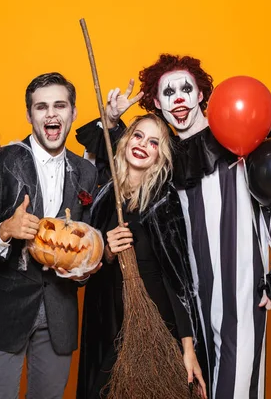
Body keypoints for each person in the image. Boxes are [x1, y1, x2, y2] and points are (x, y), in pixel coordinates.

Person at [76, 55, 271, 399]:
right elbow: (121, 168)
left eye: (186, 89)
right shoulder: (167, 159)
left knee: (236, 385)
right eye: (168, 92)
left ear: (201, 95)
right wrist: (112, 120)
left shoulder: (237, 140)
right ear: (157, 103)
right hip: (189, 299)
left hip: (239, 287)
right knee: (199, 386)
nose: (178, 98)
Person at [0, 72, 100, 399]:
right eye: (41, 107)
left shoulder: (86, 171)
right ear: (29, 115)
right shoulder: (2, 160)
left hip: (58, 315)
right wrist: (5, 231)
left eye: (59, 105)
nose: (51, 114)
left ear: (73, 113)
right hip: (4, 309)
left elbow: (85, 240)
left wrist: (83, 269)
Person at [77, 114, 207, 399]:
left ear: (161, 156)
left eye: (154, 142)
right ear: (125, 141)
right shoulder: (103, 194)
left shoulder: (164, 200)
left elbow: (178, 278)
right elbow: (84, 266)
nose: (143, 145)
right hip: (110, 320)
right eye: (137, 136)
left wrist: (187, 349)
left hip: (157, 324)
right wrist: (107, 250)